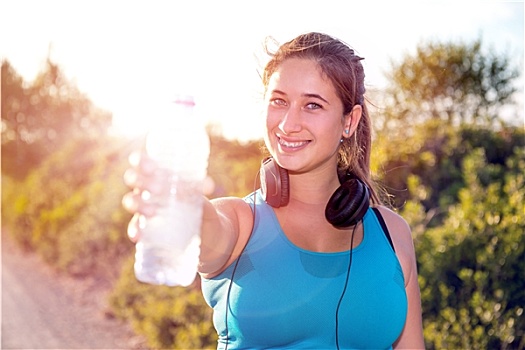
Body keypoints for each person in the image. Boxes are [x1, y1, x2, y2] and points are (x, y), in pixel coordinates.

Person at [123, 32, 425, 349]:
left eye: (312, 105)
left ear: (349, 121)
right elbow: (207, 226)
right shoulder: (241, 222)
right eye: (279, 101)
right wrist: (180, 206)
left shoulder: (392, 234)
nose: (288, 124)